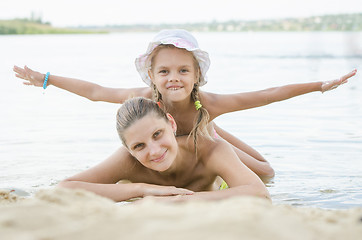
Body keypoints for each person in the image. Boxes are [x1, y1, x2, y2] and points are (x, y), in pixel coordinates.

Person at [13, 29, 357, 179]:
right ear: (151, 75)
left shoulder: (209, 101)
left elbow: (267, 94)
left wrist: (319, 87)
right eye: (164, 71)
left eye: (182, 70)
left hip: (204, 131)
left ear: (196, 75)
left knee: (266, 172)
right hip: (174, 144)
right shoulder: (144, 98)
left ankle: (213, 133)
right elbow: (96, 91)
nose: (173, 77)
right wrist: (45, 78)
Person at [58, 97, 270, 202]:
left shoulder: (210, 150)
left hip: (217, 174)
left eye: (157, 134)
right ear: (128, 149)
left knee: (266, 172)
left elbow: (259, 191)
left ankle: (210, 126)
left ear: (171, 123)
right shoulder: (126, 159)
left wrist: (180, 201)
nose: (154, 151)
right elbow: (64, 188)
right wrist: (140, 189)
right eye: (139, 146)